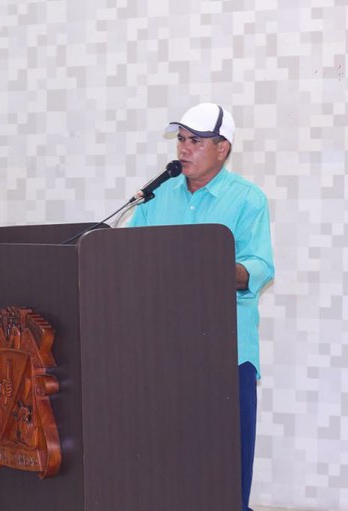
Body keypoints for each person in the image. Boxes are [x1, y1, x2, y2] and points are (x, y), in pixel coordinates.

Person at [129, 103, 274, 511]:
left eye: (195, 141)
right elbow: (127, 256)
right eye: (181, 139)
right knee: (167, 462)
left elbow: (259, 267)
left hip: (226, 353)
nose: (184, 149)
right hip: (163, 352)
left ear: (222, 148)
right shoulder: (157, 197)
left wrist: (209, 267)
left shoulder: (247, 199)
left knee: (225, 465)